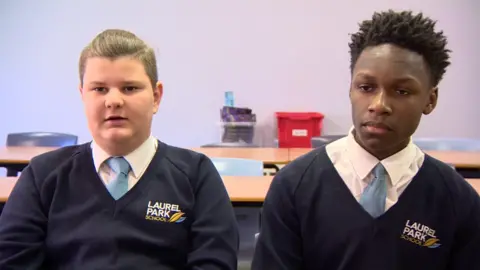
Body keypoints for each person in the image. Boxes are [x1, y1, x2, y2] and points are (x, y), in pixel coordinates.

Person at [252, 10, 480, 270]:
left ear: (430, 100)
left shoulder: (457, 201)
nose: (379, 105)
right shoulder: (294, 186)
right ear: (350, 88)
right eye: (366, 87)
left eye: (402, 91)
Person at [0, 29, 239, 269]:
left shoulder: (196, 175)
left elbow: (214, 262)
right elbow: (13, 260)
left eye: (129, 88)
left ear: (156, 96)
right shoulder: (42, 176)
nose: (113, 100)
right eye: (100, 89)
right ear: (83, 95)